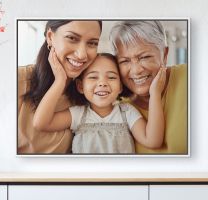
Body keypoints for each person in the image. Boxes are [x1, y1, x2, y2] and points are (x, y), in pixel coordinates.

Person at [33, 52, 166, 153]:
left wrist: (155, 93)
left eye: (112, 77)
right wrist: (59, 81)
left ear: (120, 86)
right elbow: (41, 123)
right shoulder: (78, 114)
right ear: (80, 86)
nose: (102, 83)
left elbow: (153, 141)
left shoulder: (127, 112)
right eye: (93, 77)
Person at [18, 20, 103, 153]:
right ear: (50, 37)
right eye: (72, 38)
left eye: (92, 43)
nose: (82, 54)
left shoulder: (90, 96)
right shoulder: (18, 80)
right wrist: (59, 82)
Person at [109, 20, 188, 154]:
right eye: (125, 61)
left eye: (144, 57)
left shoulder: (192, 76)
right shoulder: (117, 107)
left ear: (165, 54)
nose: (136, 70)